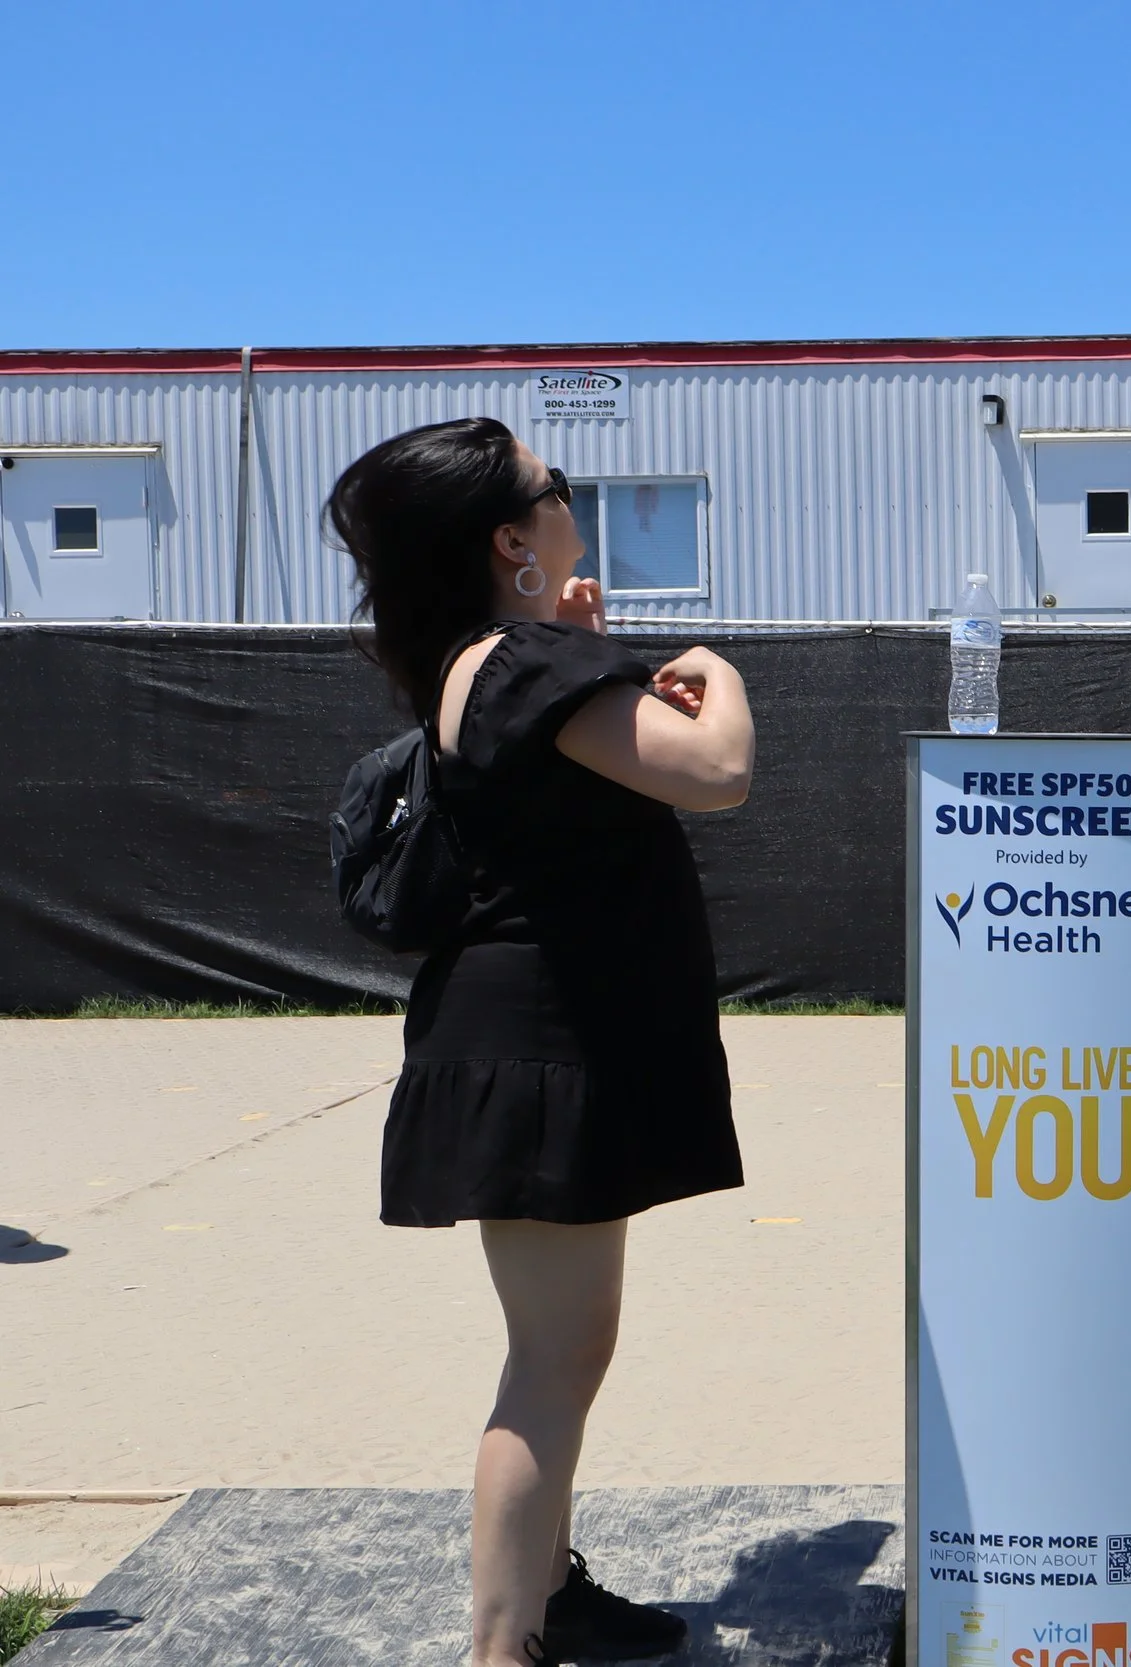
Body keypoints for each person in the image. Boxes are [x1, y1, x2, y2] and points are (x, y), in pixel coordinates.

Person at [327, 417, 754, 1667]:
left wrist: (586, 649)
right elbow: (718, 766)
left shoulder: (504, 658)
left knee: (564, 1348)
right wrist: (708, 663)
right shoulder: (516, 663)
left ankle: (548, 1595)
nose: (569, 499)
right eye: (550, 487)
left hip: (539, 1046)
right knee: (553, 1361)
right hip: (538, 1053)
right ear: (512, 540)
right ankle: (500, 1643)